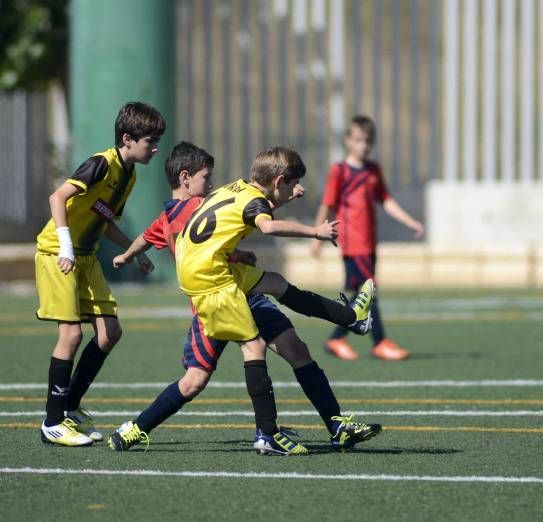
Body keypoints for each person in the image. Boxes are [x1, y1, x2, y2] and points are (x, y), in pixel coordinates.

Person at [107, 141, 382, 455]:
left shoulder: (229, 191)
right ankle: (261, 433)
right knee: (202, 376)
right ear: (185, 178)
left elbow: (242, 217)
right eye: (205, 177)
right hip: (213, 291)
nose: (210, 183)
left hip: (230, 280)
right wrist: (314, 232)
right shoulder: (183, 210)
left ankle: (338, 421)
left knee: (292, 337)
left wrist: (129, 255)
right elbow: (262, 222)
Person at [35, 102, 165, 446]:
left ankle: (69, 408)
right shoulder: (101, 164)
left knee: (109, 332)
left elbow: (103, 220)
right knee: (71, 336)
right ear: (127, 138)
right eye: (150, 141)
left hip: (86, 256)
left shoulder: (129, 175)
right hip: (58, 253)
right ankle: (52, 422)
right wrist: (64, 245)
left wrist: (136, 253)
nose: (155, 148)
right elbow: (57, 197)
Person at [312, 115, 424, 361]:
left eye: (368, 141)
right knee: (368, 292)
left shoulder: (374, 170)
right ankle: (380, 342)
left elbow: (386, 200)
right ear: (348, 141)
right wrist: (315, 237)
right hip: (353, 243)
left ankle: (336, 338)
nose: (364, 146)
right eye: (359, 140)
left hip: (370, 242)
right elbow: (327, 204)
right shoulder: (339, 171)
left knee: (359, 294)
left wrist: (409, 221)